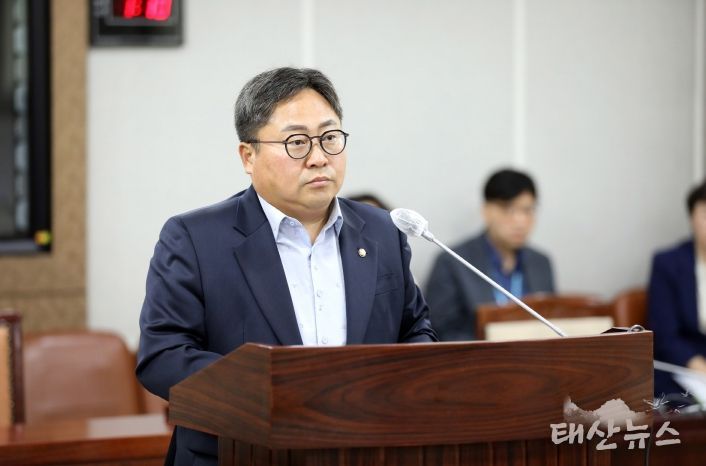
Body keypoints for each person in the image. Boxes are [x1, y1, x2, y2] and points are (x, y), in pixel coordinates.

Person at [136, 67, 436, 466]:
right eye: (297, 142)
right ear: (248, 156)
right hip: (241, 453)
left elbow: (415, 331)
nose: (319, 158)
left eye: (330, 138)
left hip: (363, 450)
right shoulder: (194, 238)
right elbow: (163, 356)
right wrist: (282, 390)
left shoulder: (382, 231)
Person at [424, 168, 554, 341]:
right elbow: (439, 332)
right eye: (509, 209)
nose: (521, 221)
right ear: (486, 211)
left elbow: (552, 321)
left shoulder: (541, 263)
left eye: (528, 210)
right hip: (478, 356)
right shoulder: (452, 262)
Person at [649, 179, 706, 397]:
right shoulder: (668, 264)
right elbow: (665, 336)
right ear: (692, 218)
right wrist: (700, 367)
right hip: (682, 368)